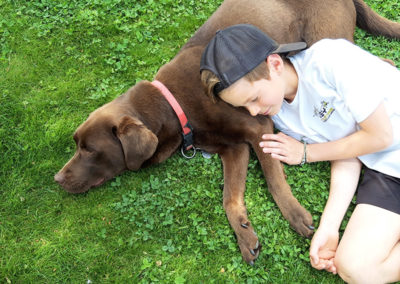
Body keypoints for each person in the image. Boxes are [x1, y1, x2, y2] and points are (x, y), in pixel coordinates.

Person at [200, 24, 400, 284]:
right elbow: (348, 152)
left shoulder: (331, 59)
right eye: (243, 106)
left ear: (274, 64)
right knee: (354, 267)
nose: (252, 112)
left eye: (254, 98)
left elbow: (380, 135)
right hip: (386, 171)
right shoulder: (283, 116)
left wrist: (307, 153)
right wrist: (329, 226)